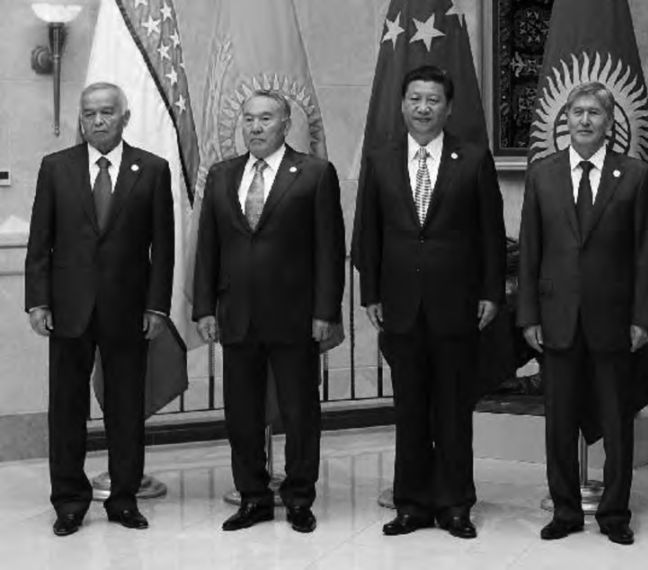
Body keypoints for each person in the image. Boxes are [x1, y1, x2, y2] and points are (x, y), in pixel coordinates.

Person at [355, 65, 506, 540]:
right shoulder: (380, 159)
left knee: (454, 411)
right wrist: (370, 292)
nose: (423, 108)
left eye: (433, 100)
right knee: (410, 410)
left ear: (448, 107)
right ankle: (412, 504)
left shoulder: (473, 159)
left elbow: (491, 234)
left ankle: (456, 504)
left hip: (457, 305)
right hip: (399, 306)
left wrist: (490, 292)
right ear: (402, 104)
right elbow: (367, 232)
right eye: (415, 99)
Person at [192, 89, 345, 534]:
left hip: (296, 315)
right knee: (241, 415)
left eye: (265, 119)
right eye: (249, 119)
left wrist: (326, 310)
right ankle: (253, 498)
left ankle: (299, 499)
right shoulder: (222, 175)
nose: (255, 127)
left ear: (285, 124)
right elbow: (208, 247)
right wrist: (204, 307)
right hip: (236, 314)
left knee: (300, 413)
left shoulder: (315, 173)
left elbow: (329, 248)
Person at [24, 82, 174, 536]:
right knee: (67, 409)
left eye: (107, 112)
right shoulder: (56, 167)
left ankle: (124, 499)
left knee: (125, 409)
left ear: (124, 117)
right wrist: (38, 300)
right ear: (81, 119)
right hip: (68, 311)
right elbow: (40, 242)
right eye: (89, 113)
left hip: (129, 311)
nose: (98, 120)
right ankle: (69, 502)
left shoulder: (152, 169)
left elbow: (164, 249)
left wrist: (157, 307)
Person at [517, 82, 648, 546]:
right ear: (566, 119)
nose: (584, 120)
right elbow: (530, 249)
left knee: (617, 423)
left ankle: (614, 514)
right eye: (577, 111)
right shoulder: (543, 173)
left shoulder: (635, 175)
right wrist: (528, 315)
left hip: (614, 320)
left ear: (609, 122)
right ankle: (565, 511)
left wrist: (642, 317)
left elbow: (646, 252)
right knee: (558, 423)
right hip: (556, 319)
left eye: (594, 112)